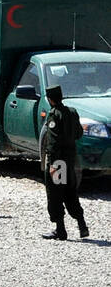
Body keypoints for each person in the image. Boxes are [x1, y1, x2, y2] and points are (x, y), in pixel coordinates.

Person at [41, 85, 89, 240]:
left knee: (55, 194)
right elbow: (79, 133)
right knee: (70, 192)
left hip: (58, 162)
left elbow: (53, 142)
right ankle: (82, 225)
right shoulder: (72, 112)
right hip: (70, 160)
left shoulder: (54, 115)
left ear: (50, 99)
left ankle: (60, 229)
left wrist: (53, 165)